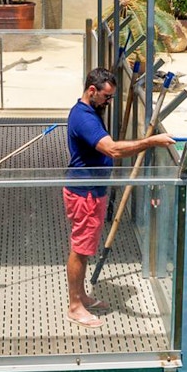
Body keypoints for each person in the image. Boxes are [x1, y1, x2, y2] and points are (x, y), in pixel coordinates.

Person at [63, 67, 176, 329]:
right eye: (106, 97)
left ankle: (81, 296)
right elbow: (112, 149)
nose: (108, 102)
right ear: (92, 90)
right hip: (85, 193)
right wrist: (151, 142)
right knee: (80, 249)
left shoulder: (90, 112)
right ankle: (74, 307)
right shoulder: (84, 117)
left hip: (93, 190)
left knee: (85, 247)